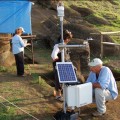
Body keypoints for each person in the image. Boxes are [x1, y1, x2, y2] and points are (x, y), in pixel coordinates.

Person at [51, 29, 73, 101]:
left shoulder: (63, 44)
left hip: (64, 64)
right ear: (66, 39)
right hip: (59, 64)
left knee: (64, 79)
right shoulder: (58, 45)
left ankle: (62, 94)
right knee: (58, 79)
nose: (69, 40)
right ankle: (58, 95)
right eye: (69, 39)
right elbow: (54, 54)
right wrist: (55, 57)